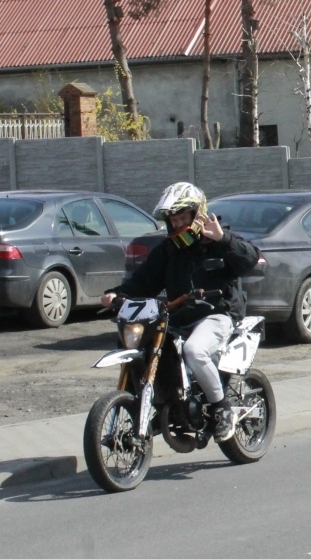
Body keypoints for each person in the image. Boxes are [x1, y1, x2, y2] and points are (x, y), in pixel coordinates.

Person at [101, 182, 260, 441]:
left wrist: (223, 239)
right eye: (173, 220)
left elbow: (250, 258)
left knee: (194, 350)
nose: (177, 224)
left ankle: (222, 409)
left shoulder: (217, 239)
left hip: (218, 313)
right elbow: (144, 281)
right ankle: (165, 404)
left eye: (182, 218)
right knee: (148, 347)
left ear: (198, 214)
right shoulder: (168, 251)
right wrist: (118, 295)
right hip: (179, 316)